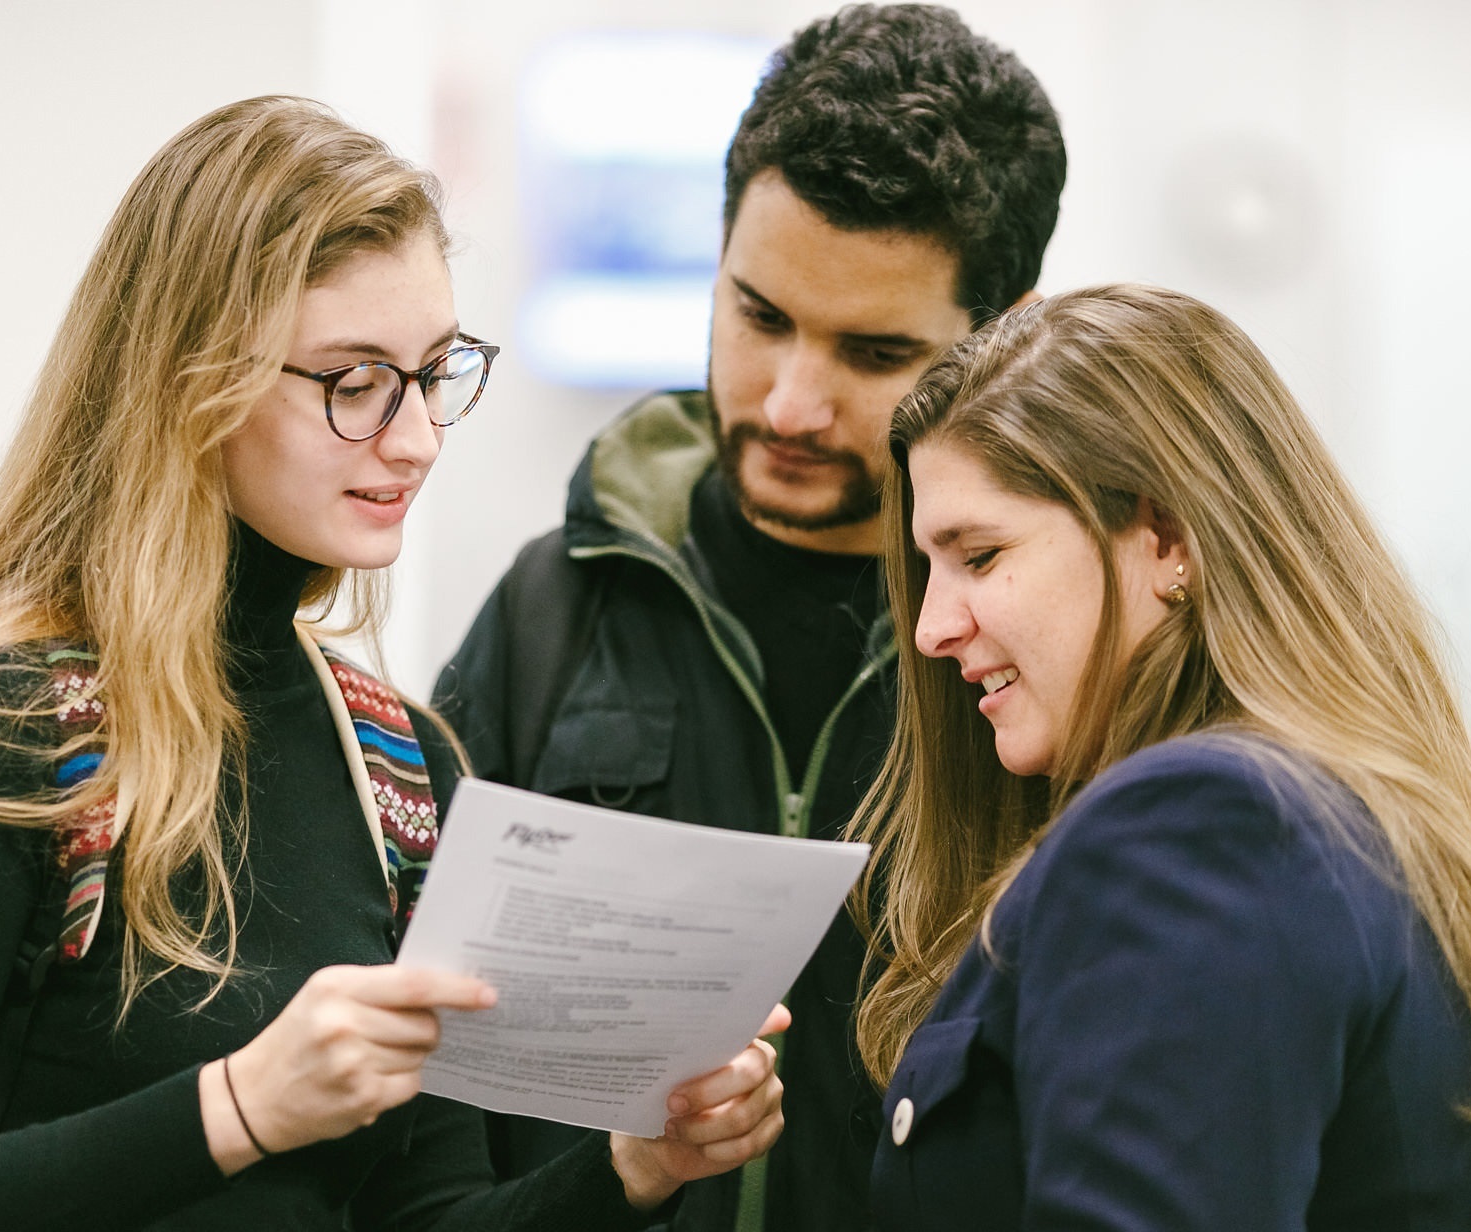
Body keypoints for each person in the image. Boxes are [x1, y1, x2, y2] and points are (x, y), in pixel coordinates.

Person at [0, 95, 785, 1232]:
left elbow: (427, 1209)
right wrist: (239, 1106)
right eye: (354, 382)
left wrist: (630, 1169)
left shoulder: (400, 769)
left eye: (434, 371)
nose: (413, 437)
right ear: (190, 379)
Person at [433, 7, 1066, 1228]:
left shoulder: (1034, 649)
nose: (788, 403)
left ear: (1002, 333)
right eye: (759, 314)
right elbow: (426, 1122)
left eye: (873, 351)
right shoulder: (550, 607)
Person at [852, 283, 1471, 1229]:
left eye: (980, 555)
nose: (931, 628)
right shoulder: (1316, 813)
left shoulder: (1198, 829)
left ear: (1165, 537)